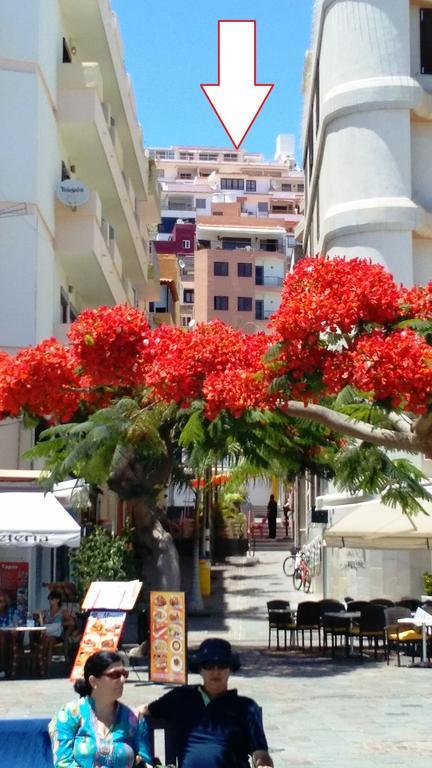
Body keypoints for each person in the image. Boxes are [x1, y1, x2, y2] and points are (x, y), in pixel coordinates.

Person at [141, 638, 273, 768]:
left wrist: (263, 763)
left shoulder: (246, 707)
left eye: (222, 665)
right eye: (209, 666)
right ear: (200, 669)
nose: (216, 672)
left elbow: (260, 751)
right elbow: (145, 710)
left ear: (230, 669)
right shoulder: (181, 697)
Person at [49, 650, 152, 768]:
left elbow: (145, 762)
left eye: (124, 674)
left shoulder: (134, 718)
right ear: (93, 681)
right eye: (115, 675)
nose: (123, 680)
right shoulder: (69, 714)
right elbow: (63, 763)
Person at [39, 588, 75, 668]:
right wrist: (40, 617)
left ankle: (44, 663)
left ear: (57, 600)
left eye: (52, 599)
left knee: (49, 640)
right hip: (47, 633)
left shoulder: (62, 611)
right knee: (46, 639)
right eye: (49, 599)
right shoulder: (46, 612)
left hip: (57, 635)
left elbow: (72, 622)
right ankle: (42, 662)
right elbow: (42, 624)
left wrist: (61, 623)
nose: (50, 601)